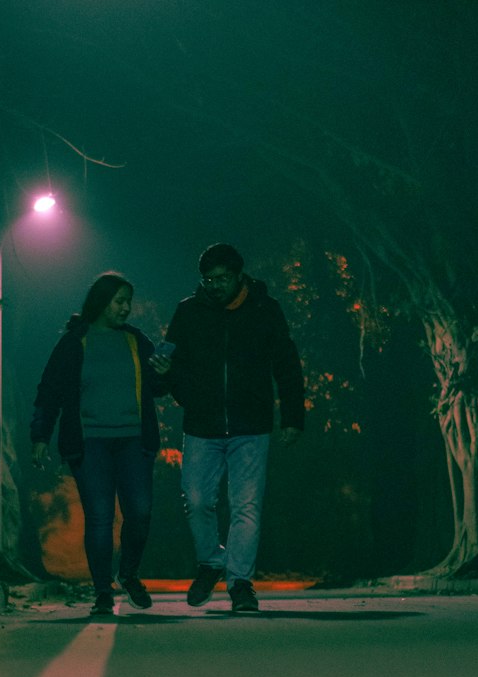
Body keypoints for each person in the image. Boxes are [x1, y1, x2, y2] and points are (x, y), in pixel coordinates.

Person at [161, 243, 304, 614]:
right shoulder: (188, 312)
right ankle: (211, 562)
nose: (215, 286)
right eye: (209, 279)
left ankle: (240, 582)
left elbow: (287, 363)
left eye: (222, 278)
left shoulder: (264, 310)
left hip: (251, 426)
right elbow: (171, 365)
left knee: (246, 506)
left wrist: (292, 416)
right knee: (195, 500)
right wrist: (179, 390)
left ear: (240, 276)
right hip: (202, 425)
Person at [30, 272, 169, 616]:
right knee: (100, 517)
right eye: (119, 301)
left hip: (134, 440)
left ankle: (129, 573)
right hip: (90, 443)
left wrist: (164, 372)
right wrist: (40, 437)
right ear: (101, 302)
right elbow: (49, 392)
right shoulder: (75, 342)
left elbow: (158, 388)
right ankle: (103, 591)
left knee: (140, 511)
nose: (126, 308)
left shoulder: (137, 340)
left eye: (128, 302)